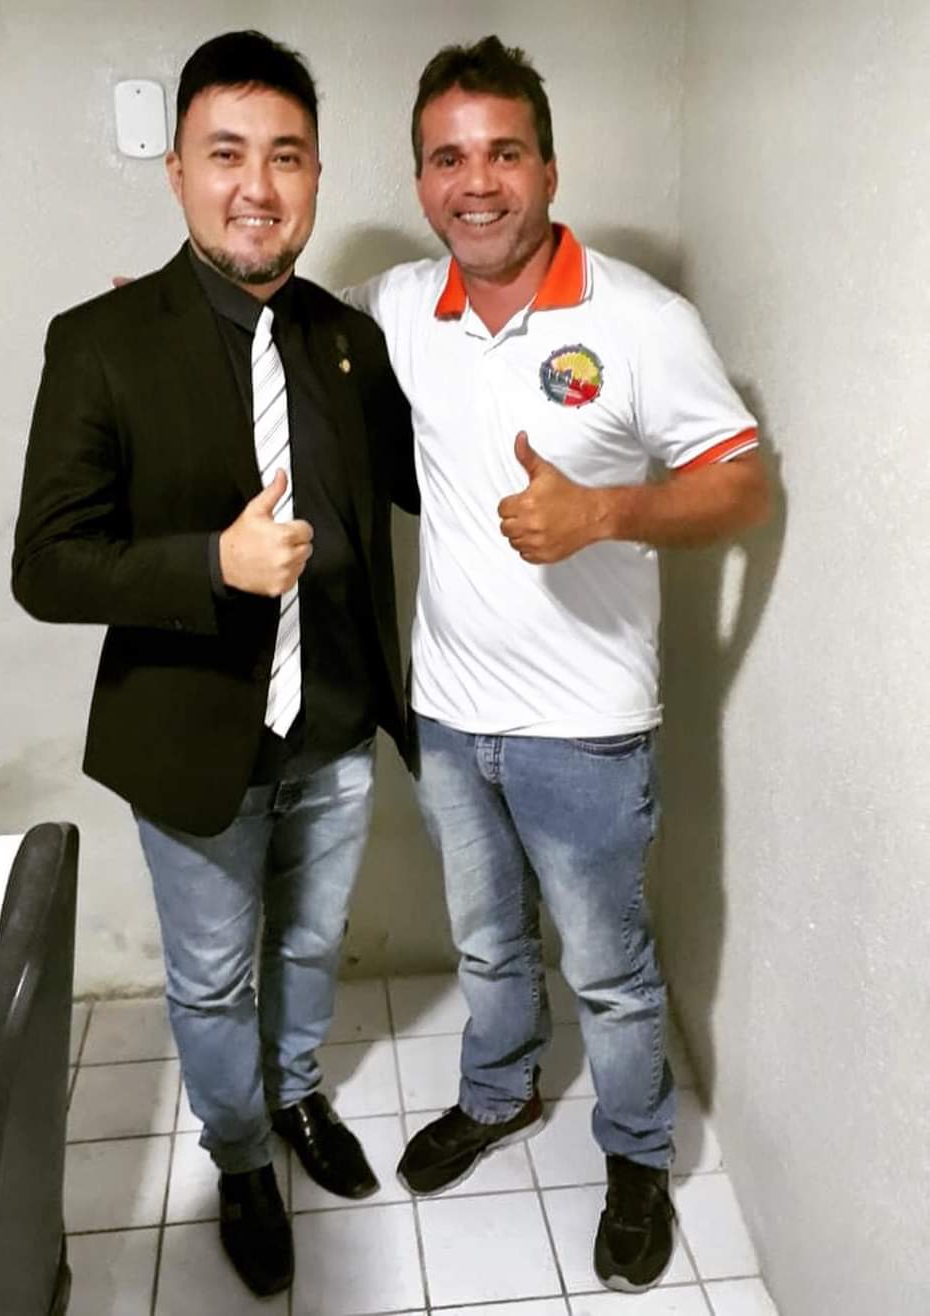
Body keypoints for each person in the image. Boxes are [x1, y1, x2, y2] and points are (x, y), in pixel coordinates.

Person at [343, 35, 770, 1295]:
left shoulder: (640, 319)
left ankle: (636, 1154)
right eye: (449, 158)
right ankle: (499, 1091)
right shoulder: (399, 306)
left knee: (610, 971)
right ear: (422, 180)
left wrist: (606, 512)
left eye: (504, 154)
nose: (477, 183)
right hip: (448, 710)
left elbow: (741, 481)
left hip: (585, 723)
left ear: (548, 167)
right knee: (486, 942)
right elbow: (283, 335)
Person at [12, 30, 417, 1298]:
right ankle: (239, 1155)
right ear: (178, 172)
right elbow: (47, 566)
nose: (257, 185)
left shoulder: (349, 342)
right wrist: (211, 564)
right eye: (226, 153)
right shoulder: (101, 340)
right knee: (211, 974)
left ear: (316, 176)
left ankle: (294, 1093)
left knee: (307, 947)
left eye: (286, 156)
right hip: (190, 742)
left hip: (333, 726)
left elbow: (418, 482)